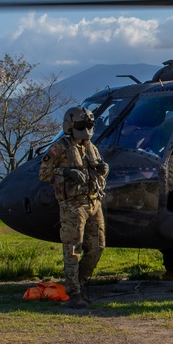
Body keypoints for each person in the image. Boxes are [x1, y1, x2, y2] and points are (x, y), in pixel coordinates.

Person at [39, 106, 109, 308]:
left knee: (98, 246)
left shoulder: (90, 146)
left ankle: (81, 282)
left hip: (94, 201)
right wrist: (66, 172)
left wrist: (104, 170)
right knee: (72, 249)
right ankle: (73, 293)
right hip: (72, 205)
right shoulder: (59, 148)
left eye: (89, 125)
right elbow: (43, 173)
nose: (86, 129)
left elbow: (99, 169)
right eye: (81, 125)